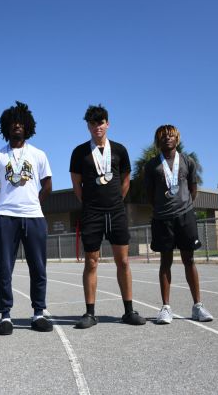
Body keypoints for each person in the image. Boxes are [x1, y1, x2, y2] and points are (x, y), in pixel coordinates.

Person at [69, 104, 146, 329]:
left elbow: (126, 179)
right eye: (92, 123)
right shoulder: (79, 152)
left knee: (123, 261)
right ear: (88, 126)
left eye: (100, 122)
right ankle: (90, 313)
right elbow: (76, 185)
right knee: (91, 262)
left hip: (116, 212)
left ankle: (129, 311)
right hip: (92, 213)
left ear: (108, 124)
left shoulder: (120, 150)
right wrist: (90, 204)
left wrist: (116, 202)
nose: (97, 127)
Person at [0, 101, 53, 335]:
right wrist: (7, 203)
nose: (17, 125)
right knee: (4, 268)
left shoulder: (38, 154)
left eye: (21, 122)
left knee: (38, 267)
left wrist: (33, 203)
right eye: (13, 122)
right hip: (6, 217)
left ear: (27, 126)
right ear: (6, 126)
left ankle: (38, 313)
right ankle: (5, 316)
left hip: (34, 216)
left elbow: (47, 185)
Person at [144, 124, 214, 324]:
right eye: (163, 136)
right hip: (162, 218)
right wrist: (163, 208)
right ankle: (166, 308)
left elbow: (193, 189)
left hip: (185, 216)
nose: (167, 138)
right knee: (165, 262)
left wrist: (184, 205)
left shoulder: (187, 161)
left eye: (171, 135)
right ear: (158, 141)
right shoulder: (151, 165)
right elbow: (150, 194)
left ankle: (198, 306)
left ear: (177, 139)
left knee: (189, 260)